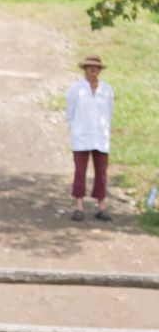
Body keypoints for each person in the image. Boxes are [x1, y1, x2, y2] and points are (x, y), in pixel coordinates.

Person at [65, 53, 114, 222]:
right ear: (85, 69)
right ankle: (79, 206)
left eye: (96, 68)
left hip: (100, 136)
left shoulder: (106, 90)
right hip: (82, 136)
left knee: (101, 173)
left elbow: (109, 112)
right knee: (80, 172)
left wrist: (105, 130)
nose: (93, 71)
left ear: (99, 70)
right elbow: (70, 112)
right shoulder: (76, 89)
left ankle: (101, 206)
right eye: (90, 68)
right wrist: (76, 128)